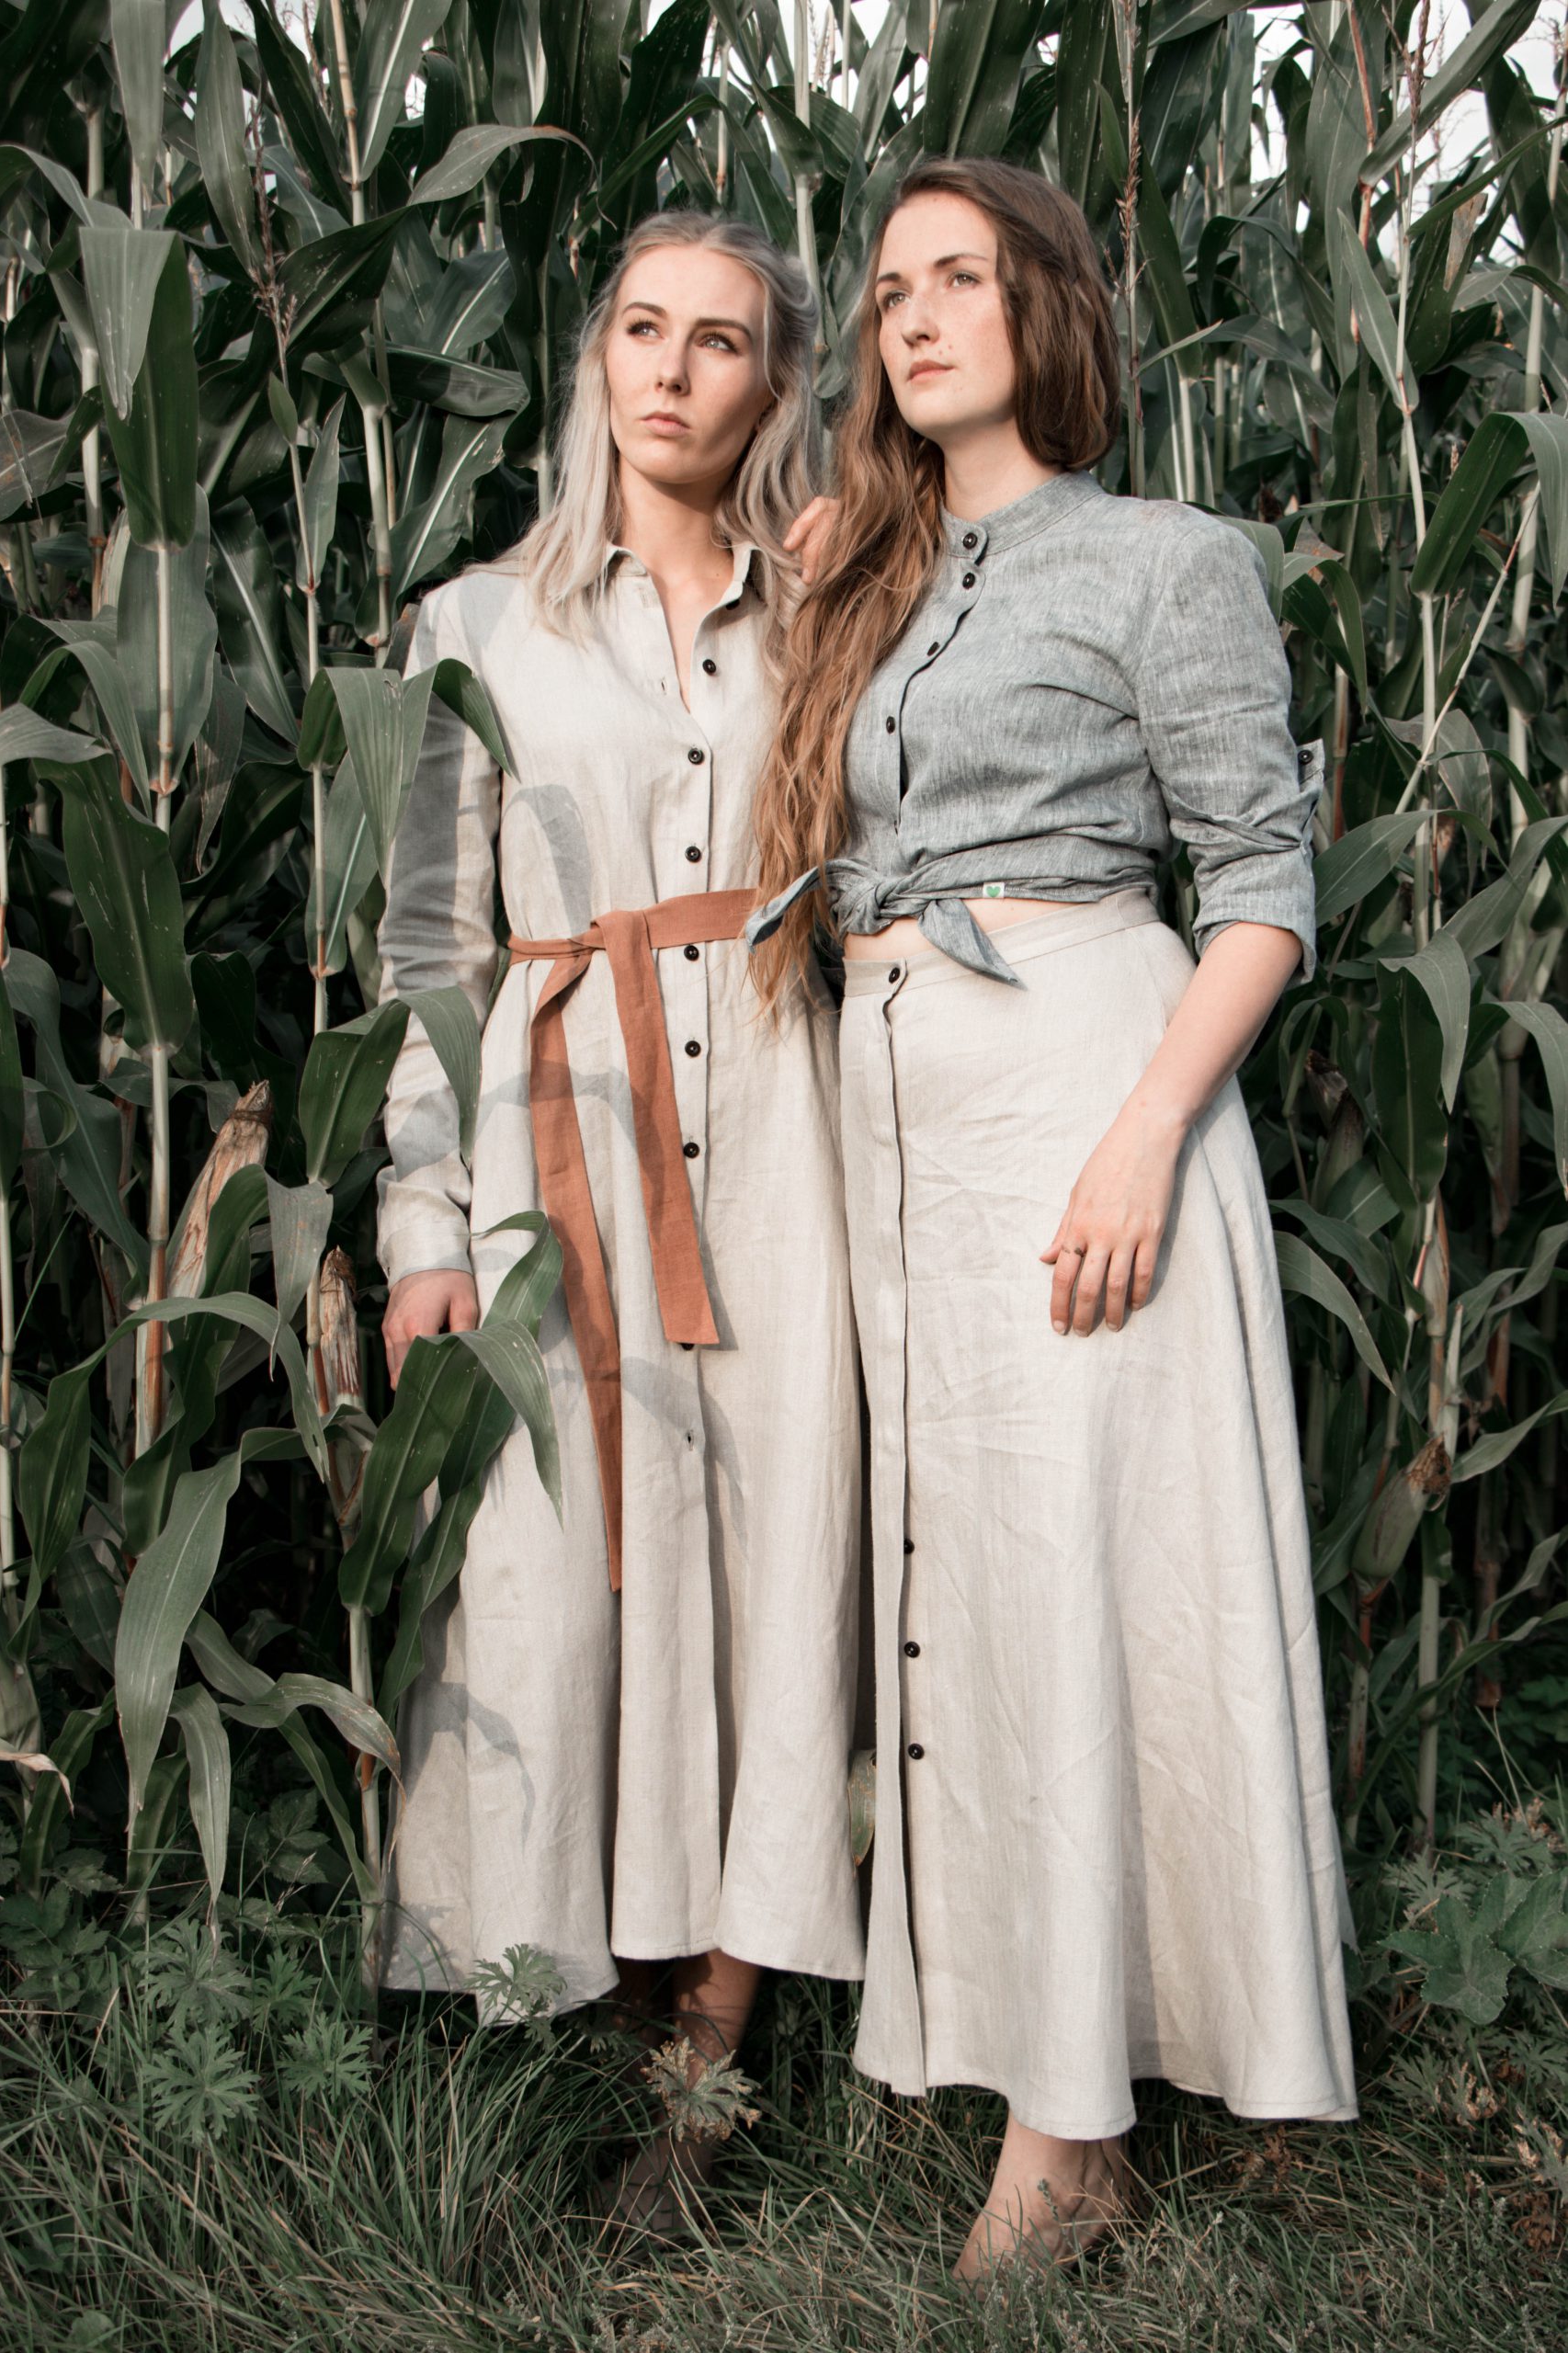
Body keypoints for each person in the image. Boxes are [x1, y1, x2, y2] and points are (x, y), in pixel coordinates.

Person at [749, 155, 1357, 2283]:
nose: (913, 316)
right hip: (905, 1115)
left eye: (959, 278)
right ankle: (1041, 2057)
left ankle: (1068, 2131)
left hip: (1082, 1079)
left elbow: (1259, 885)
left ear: (1044, 306)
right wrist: (816, 575)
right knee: (973, 1589)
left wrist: (1139, 1135)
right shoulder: (869, 574)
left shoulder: (1165, 560)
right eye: (887, 290)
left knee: (1081, 1577)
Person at [373, 211, 861, 2224]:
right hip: (553, 1129)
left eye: (719, 340)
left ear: (776, 380)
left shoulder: (831, 605)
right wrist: (420, 1223)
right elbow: (427, 946)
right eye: (639, 329)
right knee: (557, 1572)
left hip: (782, 1132)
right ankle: (572, 2029)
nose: (669, 368)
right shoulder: (477, 623)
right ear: (594, 364)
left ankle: (706, 2078)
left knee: (774, 1558)